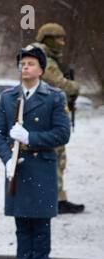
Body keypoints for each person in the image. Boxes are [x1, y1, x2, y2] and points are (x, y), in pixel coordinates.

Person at [0, 45, 70, 259]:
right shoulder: (8, 97)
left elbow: (62, 133)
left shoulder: (55, 97)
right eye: (22, 63)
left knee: (40, 226)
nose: (25, 67)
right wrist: (7, 159)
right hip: (18, 169)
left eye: (30, 63)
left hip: (42, 168)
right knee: (22, 226)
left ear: (41, 69)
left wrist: (30, 137)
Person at [34, 22, 84, 214]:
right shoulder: (44, 60)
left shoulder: (45, 58)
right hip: (47, 118)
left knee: (57, 158)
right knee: (54, 158)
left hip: (51, 115)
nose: (62, 43)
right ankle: (54, 199)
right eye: (59, 39)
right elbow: (60, 84)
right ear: (48, 39)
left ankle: (55, 197)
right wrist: (75, 86)